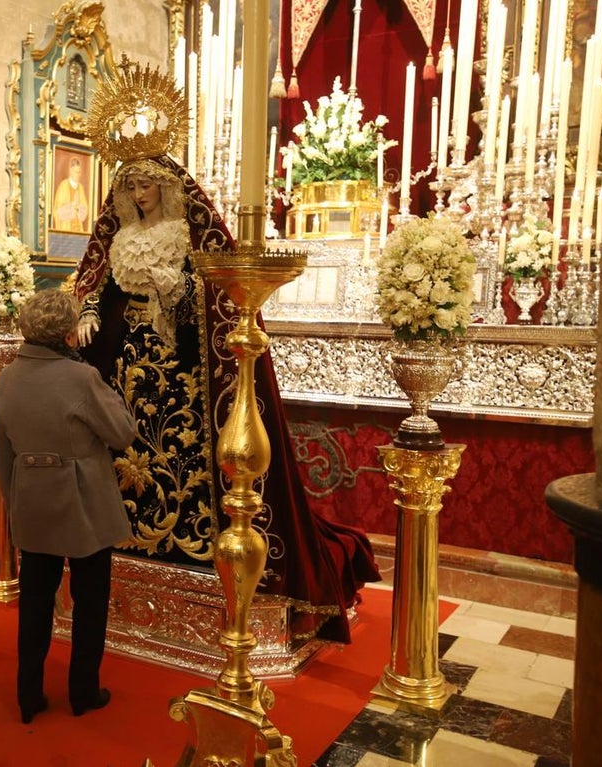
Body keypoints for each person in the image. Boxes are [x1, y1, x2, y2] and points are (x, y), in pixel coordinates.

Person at [73, 154, 381, 643]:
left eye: (146, 184)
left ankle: (194, 543)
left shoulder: (190, 231)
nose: (138, 194)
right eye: (130, 185)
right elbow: (95, 280)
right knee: (123, 448)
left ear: (167, 187)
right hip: (124, 363)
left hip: (183, 367)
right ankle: (125, 538)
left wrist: (177, 290)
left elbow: (223, 292)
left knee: (184, 449)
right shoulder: (119, 235)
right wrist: (88, 310)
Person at [0, 289, 135, 723]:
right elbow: (123, 432)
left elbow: (2, 453)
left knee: (35, 602)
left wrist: (16, 499)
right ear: (69, 333)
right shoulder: (81, 378)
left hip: (32, 499)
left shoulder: (8, 377)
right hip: (83, 500)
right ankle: (82, 693)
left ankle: (29, 695)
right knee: (89, 600)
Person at [52, 157, 90, 232]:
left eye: (79, 172)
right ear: (71, 171)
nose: (78, 175)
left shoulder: (80, 188)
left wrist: (79, 208)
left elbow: (85, 209)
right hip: (65, 227)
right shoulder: (63, 186)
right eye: (76, 172)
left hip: (78, 228)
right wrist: (72, 206)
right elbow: (57, 211)